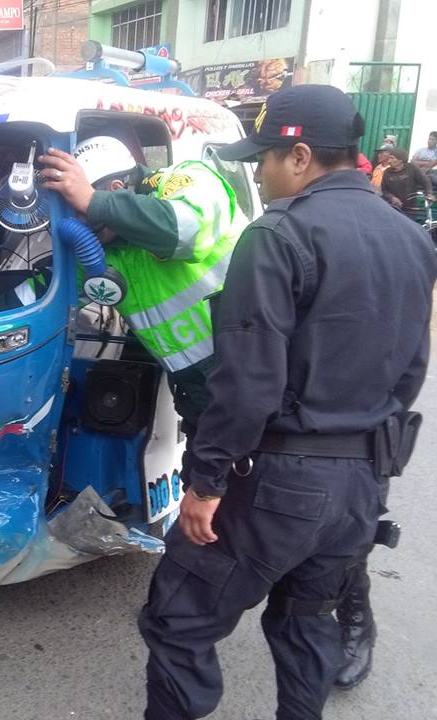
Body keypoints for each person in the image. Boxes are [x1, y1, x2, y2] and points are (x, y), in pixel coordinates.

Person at [137, 84, 437, 719]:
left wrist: (206, 482)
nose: (258, 173)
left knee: (179, 620)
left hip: (278, 480)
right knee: (306, 621)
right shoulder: (411, 238)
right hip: (363, 482)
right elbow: (411, 368)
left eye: (264, 158)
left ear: (300, 157)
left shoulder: (277, 233)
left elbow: (248, 381)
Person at [38, 136, 247, 441]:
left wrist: (95, 203)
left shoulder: (189, 179)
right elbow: (45, 297)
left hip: (252, 367)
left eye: (81, 212)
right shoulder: (101, 250)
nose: (78, 227)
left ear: (115, 190)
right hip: (198, 392)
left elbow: (185, 232)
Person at [380, 147, 434, 219]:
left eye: (392, 158)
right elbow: (384, 190)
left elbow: (425, 181)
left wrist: (429, 193)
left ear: (400, 160)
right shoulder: (387, 172)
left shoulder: (412, 168)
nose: (389, 161)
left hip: (410, 209)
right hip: (393, 207)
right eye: (389, 158)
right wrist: (392, 198)